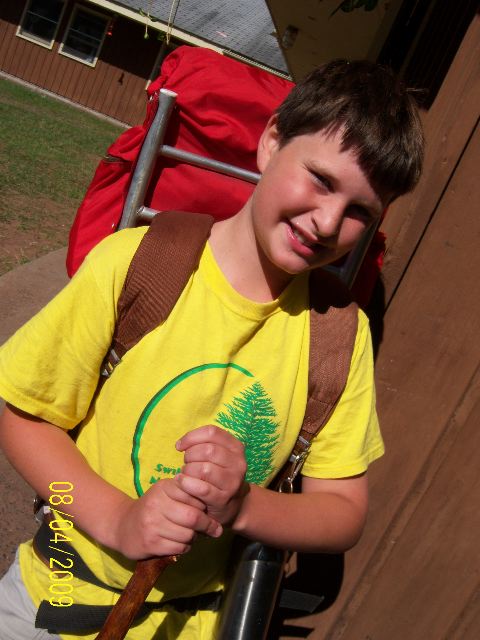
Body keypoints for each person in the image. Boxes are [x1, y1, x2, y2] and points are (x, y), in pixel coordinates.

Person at [0, 59, 424, 640]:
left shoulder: (338, 338)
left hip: (194, 624)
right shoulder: (135, 264)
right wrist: (116, 520)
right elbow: (24, 419)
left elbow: (343, 512)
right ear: (271, 142)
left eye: (359, 212)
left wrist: (244, 506)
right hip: (53, 595)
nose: (327, 222)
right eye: (321, 180)